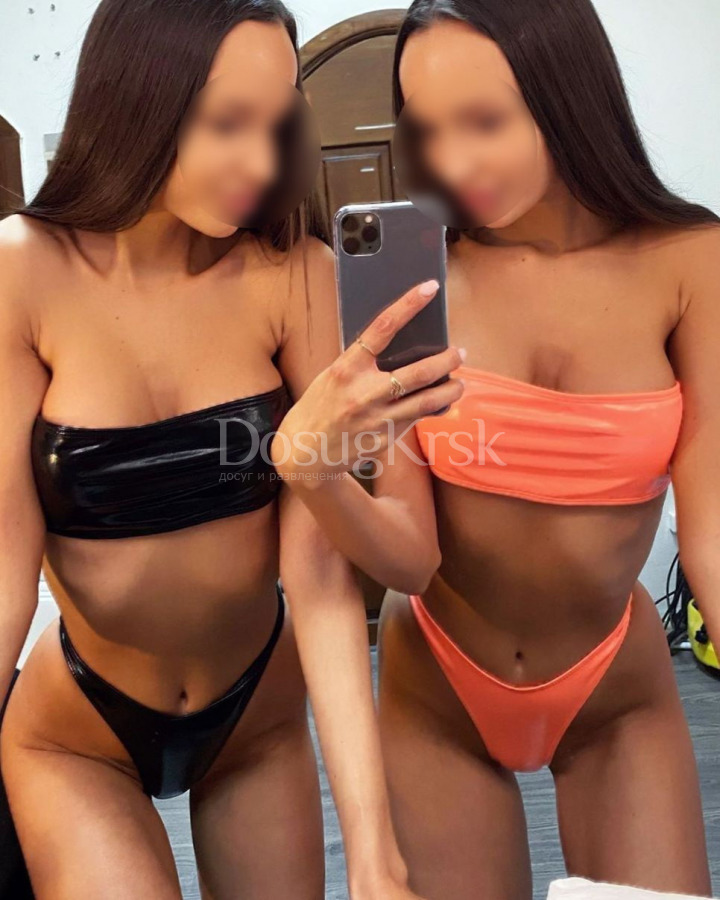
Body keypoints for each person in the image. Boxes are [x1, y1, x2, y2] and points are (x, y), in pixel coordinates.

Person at [0, 0, 463, 896]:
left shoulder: (295, 273)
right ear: (135, 100)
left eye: (276, 122)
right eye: (226, 123)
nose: (260, 161)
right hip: (78, 730)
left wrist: (374, 850)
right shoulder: (21, 270)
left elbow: (321, 585)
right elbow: (4, 570)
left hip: (257, 719)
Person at [275, 0, 720, 898]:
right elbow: (410, 558)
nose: (455, 161)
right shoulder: (415, 278)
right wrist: (312, 473)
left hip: (613, 686)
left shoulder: (691, 258)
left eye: (485, 121)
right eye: (428, 129)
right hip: (437, 685)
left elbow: (712, 526)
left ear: (568, 96)